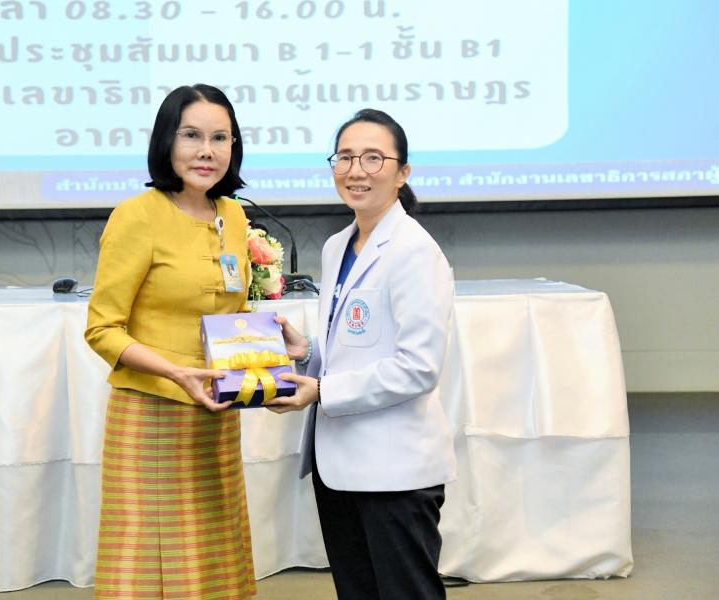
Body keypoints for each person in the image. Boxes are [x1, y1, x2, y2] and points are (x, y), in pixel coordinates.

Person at [265, 108, 456, 600]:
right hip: (339, 464)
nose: (356, 171)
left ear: (402, 172)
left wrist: (321, 389)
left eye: (373, 158)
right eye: (345, 157)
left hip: (395, 470)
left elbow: (418, 368)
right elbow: (357, 344)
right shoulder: (337, 245)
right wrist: (307, 351)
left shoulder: (414, 250)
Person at [84, 84, 256, 599]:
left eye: (220, 138)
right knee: (151, 563)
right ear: (167, 141)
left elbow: (231, 313)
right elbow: (102, 328)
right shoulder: (138, 215)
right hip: (152, 415)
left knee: (213, 556)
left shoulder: (233, 215)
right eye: (192, 136)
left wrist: (270, 351)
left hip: (215, 411)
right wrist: (175, 372)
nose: (207, 151)